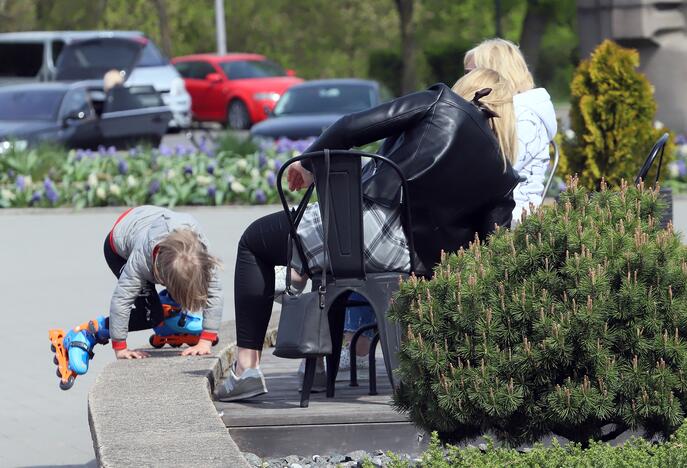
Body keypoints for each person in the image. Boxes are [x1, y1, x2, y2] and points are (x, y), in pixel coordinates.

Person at [216, 68, 520, 402]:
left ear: (466, 89)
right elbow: (491, 255)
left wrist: (307, 165)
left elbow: (350, 127)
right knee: (315, 262)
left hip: (364, 231)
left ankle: (247, 366)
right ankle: (306, 322)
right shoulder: (503, 175)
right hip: (416, 265)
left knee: (254, 242)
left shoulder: (439, 103)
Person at [49, 206, 223, 385]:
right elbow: (122, 300)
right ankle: (89, 332)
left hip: (148, 222)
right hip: (119, 245)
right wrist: (120, 346)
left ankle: (169, 317)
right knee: (150, 316)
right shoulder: (141, 261)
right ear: (159, 274)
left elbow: (215, 293)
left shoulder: (200, 255)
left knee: (183, 286)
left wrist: (206, 340)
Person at [464, 38, 558, 223]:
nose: (465, 80)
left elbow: (498, 172)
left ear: (495, 73)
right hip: (486, 212)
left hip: (511, 220)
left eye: (471, 73)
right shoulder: (500, 111)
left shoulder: (526, 118)